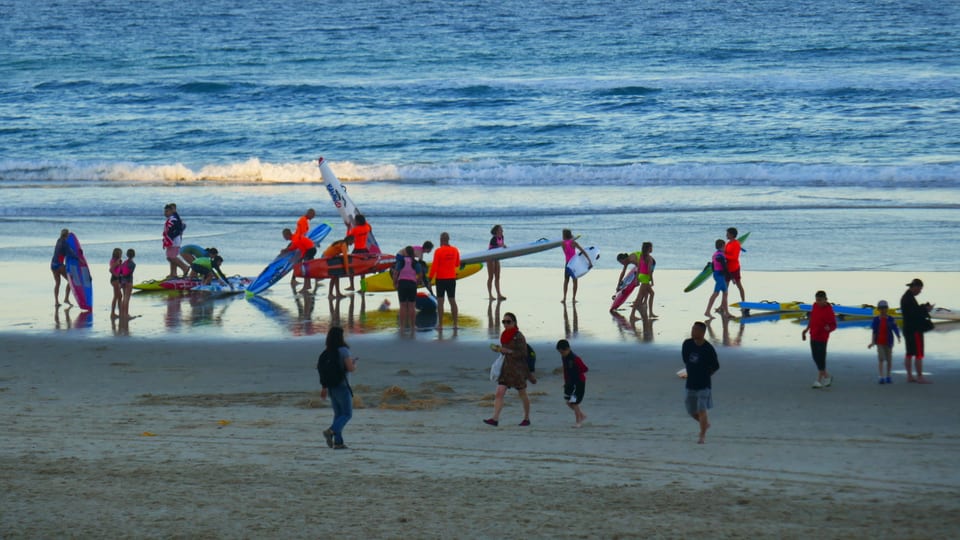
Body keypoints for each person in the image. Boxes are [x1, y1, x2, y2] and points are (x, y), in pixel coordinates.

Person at [484, 312, 536, 427]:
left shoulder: (519, 336)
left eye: (508, 322)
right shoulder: (504, 335)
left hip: (518, 369)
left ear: (514, 323)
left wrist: (508, 351)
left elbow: (523, 354)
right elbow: (504, 350)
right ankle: (495, 418)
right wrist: (499, 349)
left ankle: (526, 418)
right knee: (499, 392)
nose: (506, 324)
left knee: (522, 393)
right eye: (504, 322)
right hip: (506, 368)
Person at [318, 326, 357, 449]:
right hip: (342, 385)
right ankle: (331, 431)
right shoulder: (344, 351)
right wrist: (354, 364)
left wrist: (324, 387)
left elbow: (322, 370)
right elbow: (350, 368)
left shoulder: (327, 352)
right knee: (347, 414)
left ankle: (338, 442)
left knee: (338, 414)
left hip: (331, 387)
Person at [682, 321, 720, 444]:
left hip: (704, 385)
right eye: (692, 329)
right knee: (691, 410)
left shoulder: (708, 349)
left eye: (696, 330)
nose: (693, 332)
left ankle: (702, 436)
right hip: (690, 383)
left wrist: (706, 374)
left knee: (702, 409)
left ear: (702, 333)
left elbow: (715, 366)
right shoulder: (687, 344)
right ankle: (705, 424)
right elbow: (685, 359)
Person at [392, 245, 432, 332]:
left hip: (402, 284)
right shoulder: (415, 263)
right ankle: (413, 326)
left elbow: (395, 273)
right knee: (412, 306)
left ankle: (402, 326)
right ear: (413, 253)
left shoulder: (401, 262)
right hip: (412, 284)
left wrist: (394, 283)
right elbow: (420, 275)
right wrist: (417, 282)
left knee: (402, 306)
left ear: (405, 253)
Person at [900, 278, 933, 383]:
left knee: (909, 353)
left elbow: (913, 311)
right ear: (915, 287)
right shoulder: (908, 298)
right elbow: (914, 314)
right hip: (914, 330)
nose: (920, 291)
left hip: (907, 328)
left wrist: (923, 307)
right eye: (920, 289)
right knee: (918, 353)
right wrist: (925, 309)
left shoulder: (907, 297)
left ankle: (910, 376)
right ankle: (919, 377)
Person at [802, 290, 837, 389]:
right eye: (817, 300)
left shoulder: (829, 311)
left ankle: (819, 380)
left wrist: (829, 328)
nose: (818, 302)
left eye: (820, 300)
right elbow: (812, 318)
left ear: (825, 299)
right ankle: (826, 376)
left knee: (821, 358)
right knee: (815, 356)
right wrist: (806, 329)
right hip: (813, 334)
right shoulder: (815, 306)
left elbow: (834, 325)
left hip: (822, 337)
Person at [428, 232, 460, 329]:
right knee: (452, 300)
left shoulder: (438, 251)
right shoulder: (455, 250)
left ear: (441, 240)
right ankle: (455, 324)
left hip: (441, 279)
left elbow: (434, 266)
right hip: (451, 279)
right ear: (448, 239)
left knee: (440, 302)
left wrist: (429, 279)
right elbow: (457, 264)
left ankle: (440, 325)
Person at [557, 339, 588, 428]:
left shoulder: (576, 359)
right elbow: (566, 371)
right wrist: (566, 382)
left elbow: (585, 369)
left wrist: (576, 372)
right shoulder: (564, 357)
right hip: (570, 383)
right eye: (560, 353)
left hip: (579, 383)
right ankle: (582, 415)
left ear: (568, 349)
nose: (561, 354)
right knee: (568, 402)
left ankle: (578, 422)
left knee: (574, 402)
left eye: (562, 352)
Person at [869, 300, 901, 384]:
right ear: (878, 309)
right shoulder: (876, 319)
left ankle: (888, 376)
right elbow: (874, 331)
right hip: (879, 342)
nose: (883, 310)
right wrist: (872, 342)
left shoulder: (890, 318)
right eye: (881, 308)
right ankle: (881, 376)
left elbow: (895, 328)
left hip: (889, 342)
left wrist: (898, 336)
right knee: (881, 359)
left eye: (885, 308)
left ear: (887, 309)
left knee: (889, 360)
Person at [561, 229, 592, 304]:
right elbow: (583, 251)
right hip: (574, 264)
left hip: (567, 264)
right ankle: (574, 298)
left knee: (566, 281)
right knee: (575, 281)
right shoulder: (574, 243)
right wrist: (589, 261)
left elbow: (567, 249)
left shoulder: (562, 243)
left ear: (564, 235)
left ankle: (564, 298)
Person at [281, 228, 317, 293]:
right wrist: (286, 250)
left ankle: (307, 286)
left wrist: (301, 259)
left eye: (284, 236)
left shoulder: (295, 239)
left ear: (288, 234)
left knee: (306, 269)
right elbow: (294, 247)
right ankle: (308, 284)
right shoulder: (294, 238)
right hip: (311, 249)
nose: (283, 237)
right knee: (308, 269)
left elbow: (303, 250)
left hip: (310, 250)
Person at [705, 239, 731, 318]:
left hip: (718, 275)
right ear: (723, 246)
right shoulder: (720, 255)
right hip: (720, 275)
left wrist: (716, 273)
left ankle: (727, 313)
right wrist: (730, 276)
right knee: (716, 293)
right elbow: (724, 266)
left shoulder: (715, 254)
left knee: (725, 293)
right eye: (725, 245)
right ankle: (707, 312)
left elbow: (713, 265)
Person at [346, 214, 373, 291]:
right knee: (363, 270)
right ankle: (363, 287)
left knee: (351, 268)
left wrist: (348, 227)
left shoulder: (355, 230)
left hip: (357, 250)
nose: (354, 221)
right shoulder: (367, 227)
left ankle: (352, 286)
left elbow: (348, 238)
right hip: (365, 250)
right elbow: (370, 227)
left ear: (357, 221)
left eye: (355, 220)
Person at [290, 208, 316, 289]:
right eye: (313, 215)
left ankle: (294, 279)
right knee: (305, 263)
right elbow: (303, 234)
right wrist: (307, 243)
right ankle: (295, 280)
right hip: (300, 243)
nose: (313, 217)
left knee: (300, 262)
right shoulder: (303, 220)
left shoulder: (303, 219)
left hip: (299, 242)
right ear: (309, 213)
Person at [163, 204, 189, 279]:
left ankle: (185, 268)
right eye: (165, 211)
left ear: (172, 211)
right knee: (171, 257)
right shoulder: (172, 218)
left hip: (174, 241)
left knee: (171, 257)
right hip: (171, 240)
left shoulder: (174, 218)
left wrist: (171, 238)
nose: (165, 213)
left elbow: (180, 227)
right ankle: (173, 273)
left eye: (167, 211)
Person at [631, 242, 656, 320]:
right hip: (645, 278)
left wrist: (637, 278)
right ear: (649, 248)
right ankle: (632, 315)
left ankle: (651, 313)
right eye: (651, 247)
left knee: (652, 293)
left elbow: (638, 268)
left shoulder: (641, 256)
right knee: (639, 298)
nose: (652, 249)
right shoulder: (649, 258)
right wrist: (652, 280)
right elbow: (649, 271)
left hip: (641, 276)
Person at [51, 229, 74, 306]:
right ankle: (66, 298)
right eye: (68, 235)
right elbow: (71, 254)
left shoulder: (58, 240)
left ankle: (56, 302)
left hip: (53, 264)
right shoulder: (65, 243)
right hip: (59, 265)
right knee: (71, 280)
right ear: (66, 235)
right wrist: (80, 258)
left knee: (57, 283)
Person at [724, 227, 745, 303]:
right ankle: (723, 305)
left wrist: (724, 256)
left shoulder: (736, 244)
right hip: (727, 268)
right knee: (725, 288)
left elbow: (734, 257)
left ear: (732, 235)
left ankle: (743, 302)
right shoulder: (728, 243)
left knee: (739, 285)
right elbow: (725, 253)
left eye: (727, 233)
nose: (726, 235)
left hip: (734, 268)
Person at [487, 225, 506, 300]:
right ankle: (490, 295)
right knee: (491, 277)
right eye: (501, 229)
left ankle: (499, 294)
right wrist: (503, 246)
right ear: (497, 231)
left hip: (497, 258)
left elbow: (501, 246)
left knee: (497, 276)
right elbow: (496, 247)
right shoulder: (493, 239)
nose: (502, 230)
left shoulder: (502, 237)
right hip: (490, 258)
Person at [118, 248, 136, 320]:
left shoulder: (124, 263)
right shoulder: (133, 264)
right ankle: (126, 314)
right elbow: (129, 274)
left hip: (123, 281)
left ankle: (122, 314)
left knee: (124, 298)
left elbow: (121, 272)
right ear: (134, 255)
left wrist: (121, 281)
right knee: (127, 299)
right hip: (129, 282)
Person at [109, 248, 123, 319]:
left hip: (116, 280)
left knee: (119, 296)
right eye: (121, 253)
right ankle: (112, 313)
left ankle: (120, 312)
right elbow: (111, 270)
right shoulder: (116, 261)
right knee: (116, 296)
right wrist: (116, 275)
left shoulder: (114, 260)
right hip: (115, 280)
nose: (121, 255)